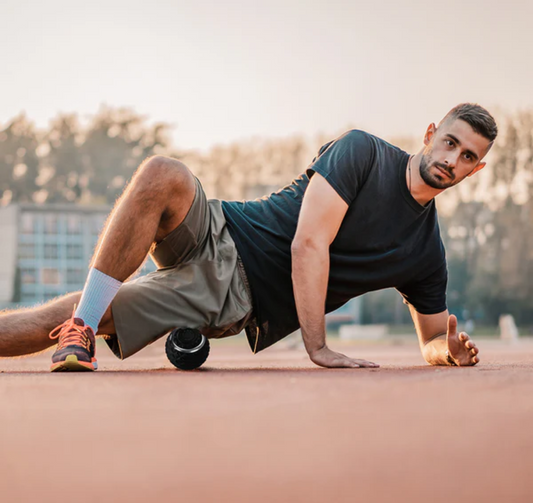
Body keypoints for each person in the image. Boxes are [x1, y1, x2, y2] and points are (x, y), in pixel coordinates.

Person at [0, 103, 496, 371]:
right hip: (220, 223)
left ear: (477, 169)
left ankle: (85, 319)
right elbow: (308, 243)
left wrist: (446, 352)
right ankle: (80, 332)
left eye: (468, 156)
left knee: (54, 316)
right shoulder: (362, 151)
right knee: (162, 173)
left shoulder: (425, 253)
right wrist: (317, 347)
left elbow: (431, 337)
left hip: (234, 289)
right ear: (431, 132)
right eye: (450, 143)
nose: (452, 160)